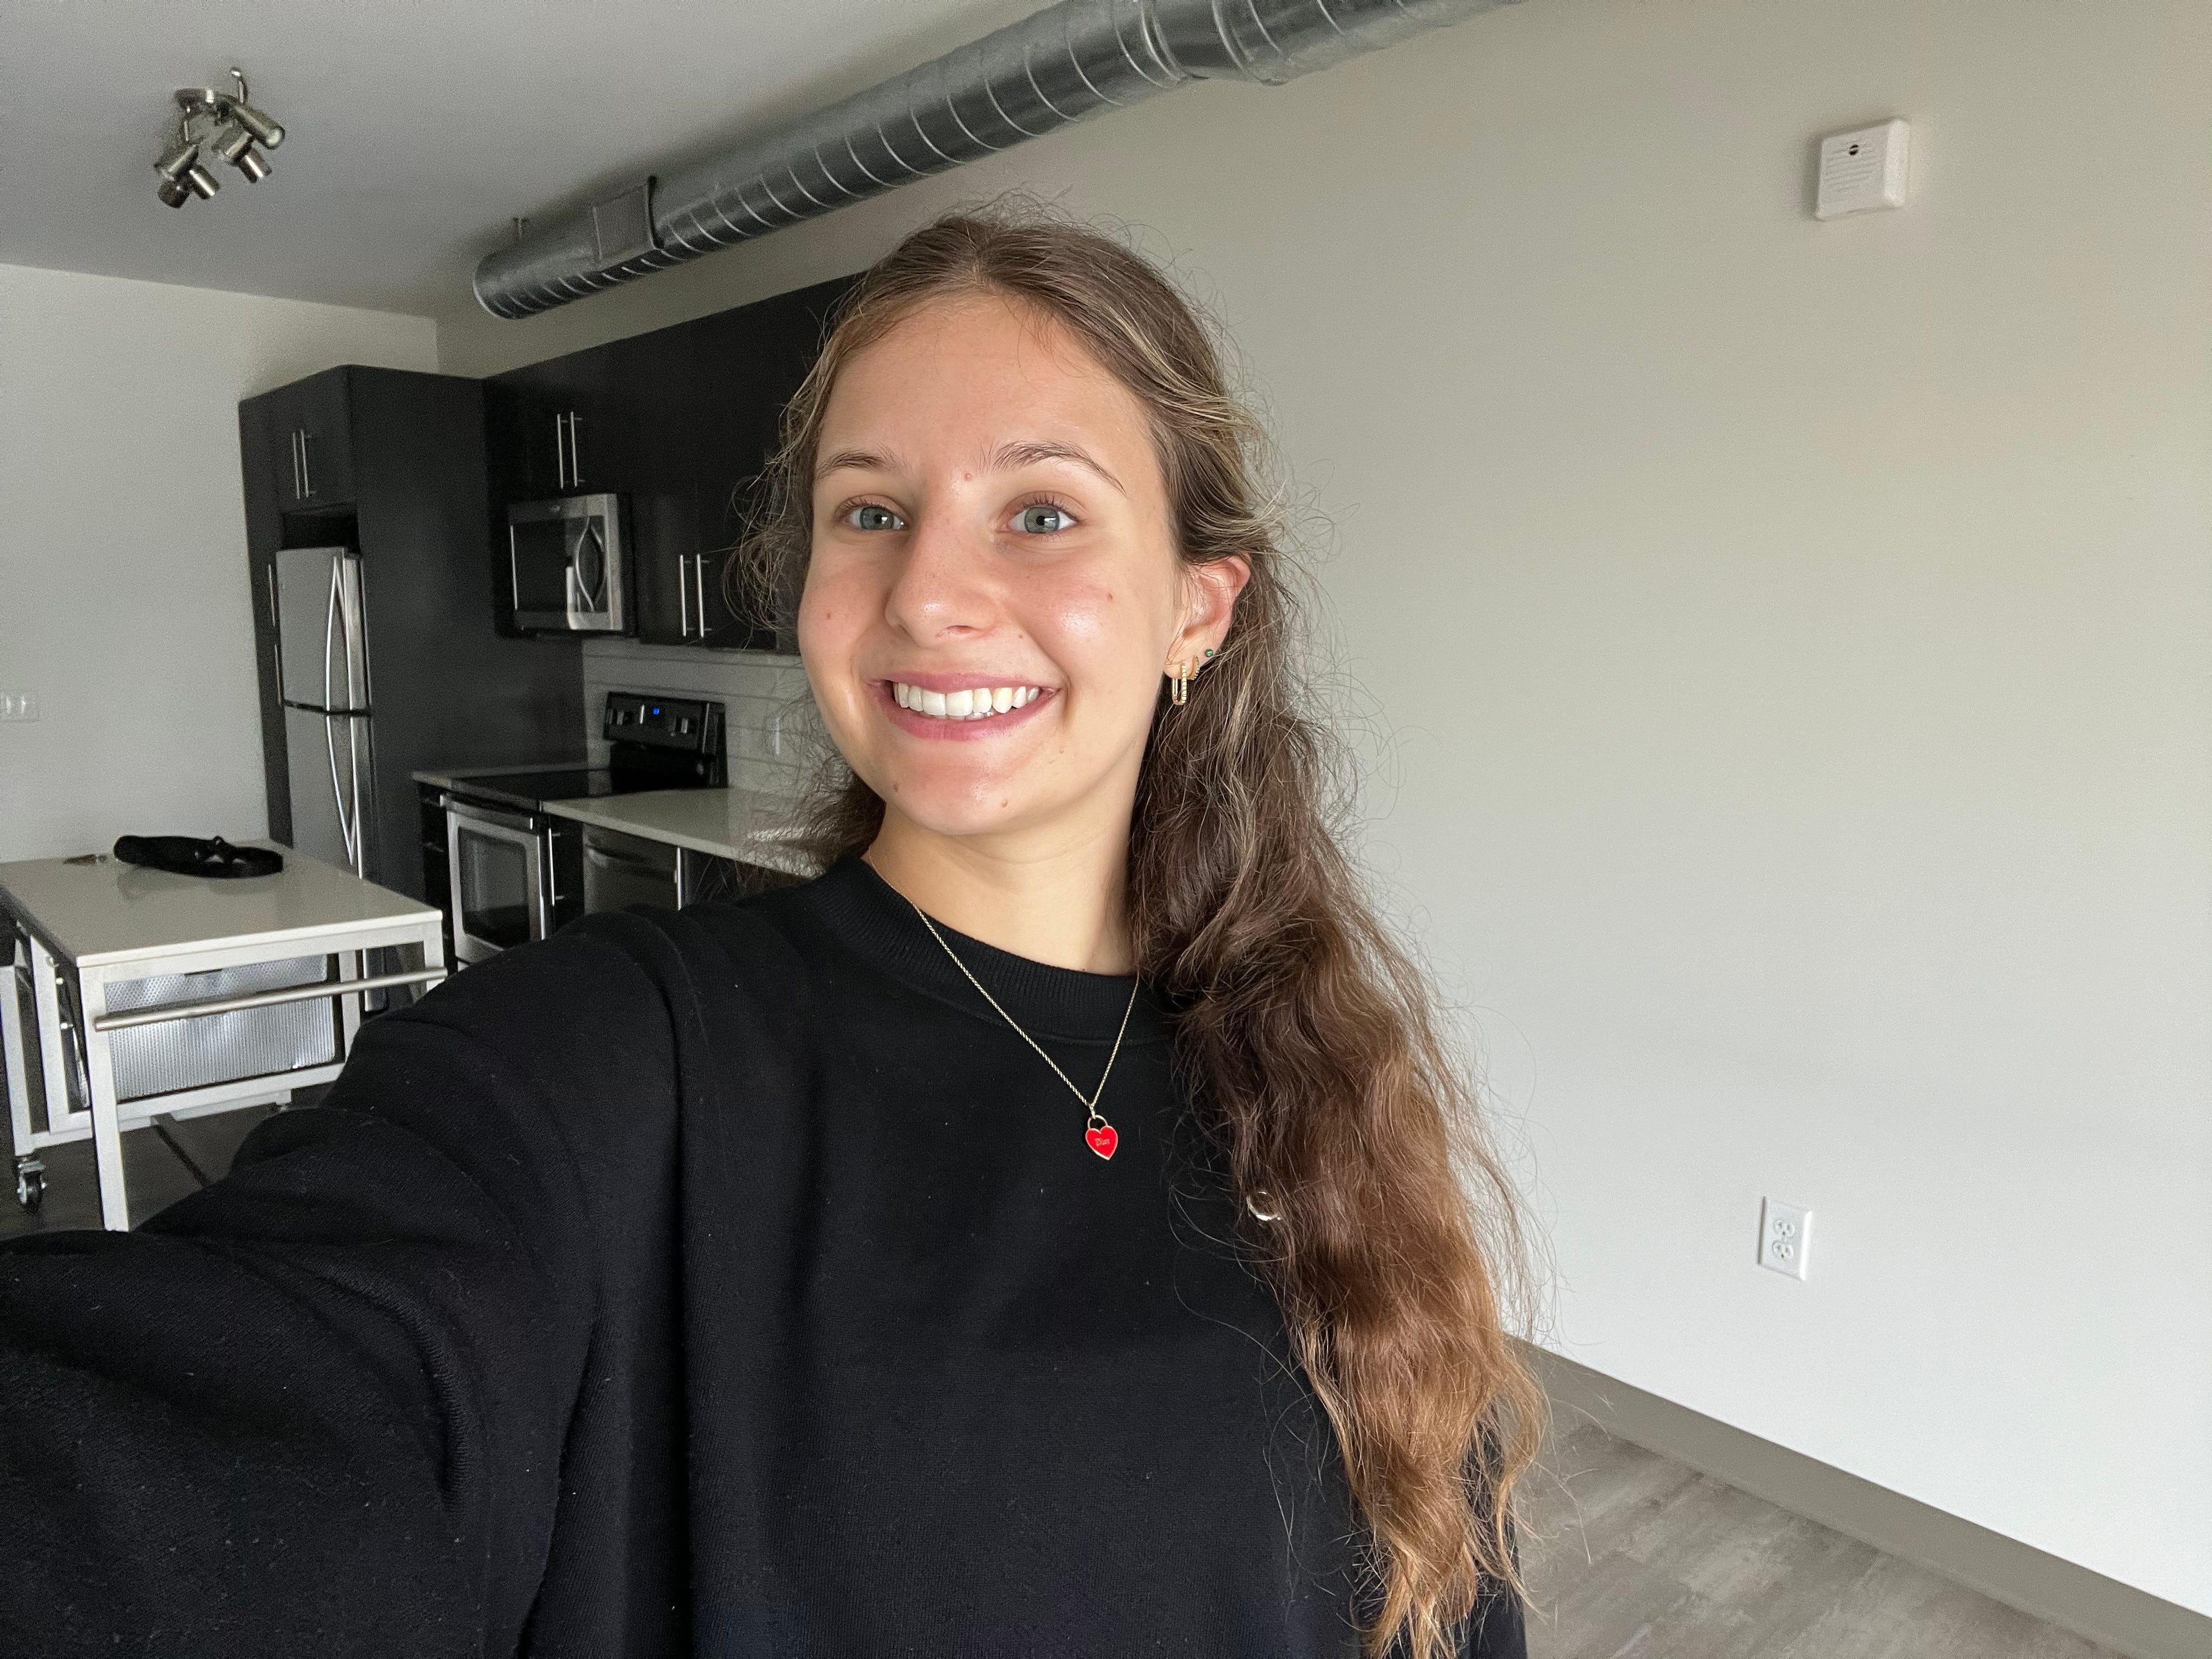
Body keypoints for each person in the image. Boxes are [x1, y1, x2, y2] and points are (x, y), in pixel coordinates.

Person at [0, 201, 1547, 1659]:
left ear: (1197, 611)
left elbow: (1445, 1582)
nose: (928, 592)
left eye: (1040, 512)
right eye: (871, 510)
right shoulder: (604, 1070)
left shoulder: (1313, 1071)